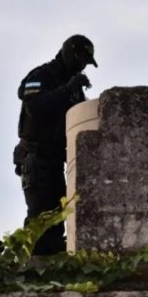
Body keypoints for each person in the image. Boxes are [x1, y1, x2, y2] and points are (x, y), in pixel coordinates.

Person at [13, 34, 97, 256]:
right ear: (69, 53)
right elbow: (36, 108)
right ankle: (31, 273)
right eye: (80, 60)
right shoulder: (42, 76)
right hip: (36, 159)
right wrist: (67, 89)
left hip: (56, 160)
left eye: (85, 64)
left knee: (56, 222)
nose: (81, 67)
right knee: (40, 221)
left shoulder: (74, 87)